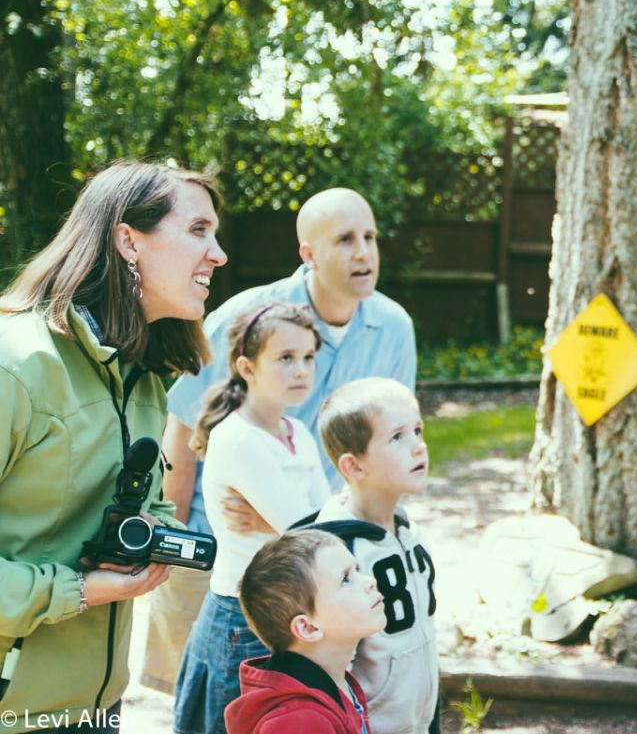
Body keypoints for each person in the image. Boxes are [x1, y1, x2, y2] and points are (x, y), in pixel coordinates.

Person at [142, 188, 417, 694]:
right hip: (220, 540)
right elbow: (181, 425)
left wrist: (313, 530)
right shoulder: (249, 318)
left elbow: (389, 448)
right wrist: (172, 537)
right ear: (308, 254)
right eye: (345, 239)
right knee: (200, 689)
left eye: (370, 237)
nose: (363, 252)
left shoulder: (394, 329)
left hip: (321, 547)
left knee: (298, 699)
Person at [0, 161, 227, 732]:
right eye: (198, 230)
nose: (219, 254)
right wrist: (76, 590)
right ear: (128, 239)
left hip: (95, 709)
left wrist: (152, 536)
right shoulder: (16, 366)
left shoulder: (144, 380)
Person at [173, 304, 331, 734]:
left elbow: (322, 524)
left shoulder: (296, 432)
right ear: (247, 366)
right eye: (285, 358)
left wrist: (272, 526)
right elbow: (313, 529)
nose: (301, 369)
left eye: (308, 357)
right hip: (241, 619)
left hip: (289, 608)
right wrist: (293, 528)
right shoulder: (238, 439)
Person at [315, 378, 439, 734]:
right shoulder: (334, 553)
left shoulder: (410, 534)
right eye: (397, 437)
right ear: (354, 467)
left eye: (418, 430)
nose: (418, 447)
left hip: (419, 720)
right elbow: (327, 659)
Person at [225, 528, 385, 734]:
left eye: (357, 569)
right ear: (308, 627)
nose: (369, 581)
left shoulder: (333, 681)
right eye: (345, 579)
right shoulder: (299, 722)